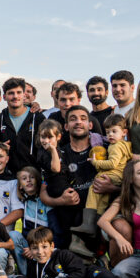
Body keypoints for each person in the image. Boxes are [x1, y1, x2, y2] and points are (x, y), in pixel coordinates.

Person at [23, 227, 140, 278]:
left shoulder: (63, 255)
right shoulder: (33, 268)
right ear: (30, 249)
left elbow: (79, 274)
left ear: (52, 246)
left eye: (44, 247)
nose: (40, 252)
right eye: (34, 248)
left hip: (90, 277)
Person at [42, 106, 97, 253]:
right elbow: (44, 190)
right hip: (67, 216)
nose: (78, 122)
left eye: (83, 119)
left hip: (97, 213)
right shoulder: (58, 154)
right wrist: (60, 201)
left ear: (90, 125)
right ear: (66, 127)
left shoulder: (101, 150)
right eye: (73, 119)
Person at [74, 113, 131, 237]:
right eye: (108, 132)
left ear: (124, 132)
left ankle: (88, 223)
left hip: (114, 174)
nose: (110, 135)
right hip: (120, 176)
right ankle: (95, 224)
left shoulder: (115, 146)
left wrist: (96, 163)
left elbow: (112, 163)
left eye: (114, 131)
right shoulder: (125, 145)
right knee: (103, 198)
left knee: (94, 188)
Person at [0, 77, 44, 175]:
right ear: (4, 97)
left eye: (18, 92)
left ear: (24, 95)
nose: (15, 96)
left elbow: (46, 147)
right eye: (11, 93)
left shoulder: (38, 118)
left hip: (33, 177)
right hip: (6, 177)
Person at [9, 166, 50, 276]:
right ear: (20, 186)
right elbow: (25, 230)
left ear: (37, 180)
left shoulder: (45, 200)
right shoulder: (24, 202)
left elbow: (53, 229)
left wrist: (35, 248)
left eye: (32, 177)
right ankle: (25, 274)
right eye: (24, 178)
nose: (28, 180)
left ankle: (43, 273)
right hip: (30, 243)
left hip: (44, 243)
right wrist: (29, 248)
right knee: (13, 234)